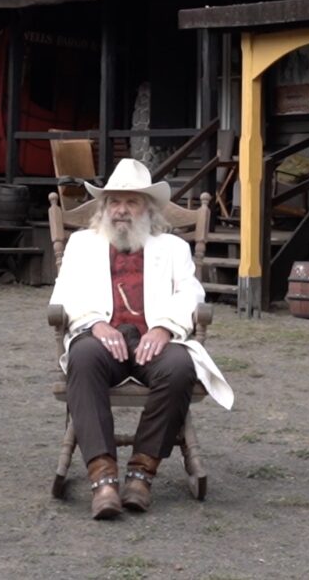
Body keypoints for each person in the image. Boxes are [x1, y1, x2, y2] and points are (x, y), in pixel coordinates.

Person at [50, 158, 234, 520]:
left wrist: (164, 327)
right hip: (101, 340)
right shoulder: (81, 245)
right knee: (82, 360)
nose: (121, 210)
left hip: (154, 340)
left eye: (131, 202)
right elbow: (64, 294)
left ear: (147, 208)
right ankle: (103, 480)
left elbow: (191, 294)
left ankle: (141, 475)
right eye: (114, 202)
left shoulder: (173, 248)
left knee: (180, 367)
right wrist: (94, 325)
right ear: (104, 207)